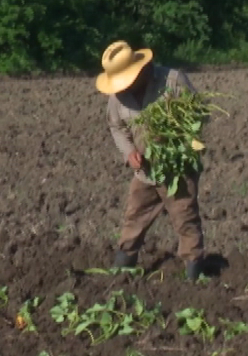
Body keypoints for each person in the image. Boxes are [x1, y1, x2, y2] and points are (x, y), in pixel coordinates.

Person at [95, 40, 205, 280]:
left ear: (142, 68)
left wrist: (177, 140)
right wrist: (129, 152)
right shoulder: (118, 97)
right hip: (144, 171)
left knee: (185, 218)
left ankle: (194, 276)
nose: (128, 86)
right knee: (134, 218)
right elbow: (116, 126)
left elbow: (198, 114)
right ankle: (121, 271)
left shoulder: (173, 81)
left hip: (177, 170)